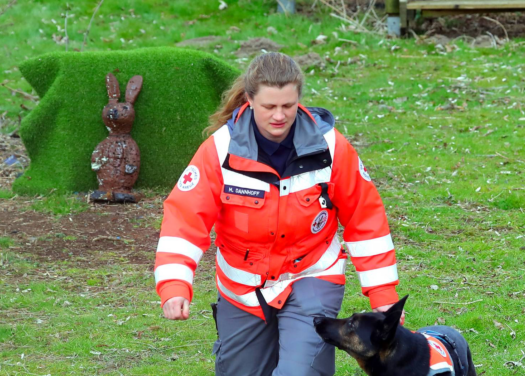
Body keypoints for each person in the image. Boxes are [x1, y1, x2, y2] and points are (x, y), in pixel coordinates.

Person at [154, 52, 403, 376]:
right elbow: (184, 221)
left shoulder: (330, 147)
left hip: (313, 275)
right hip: (243, 289)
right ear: (249, 99)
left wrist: (382, 293)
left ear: (299, 99)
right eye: (269, 107)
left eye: (288, 106)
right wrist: (174, 284)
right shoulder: (219, 151)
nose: (279, 116)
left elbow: (366, 220)